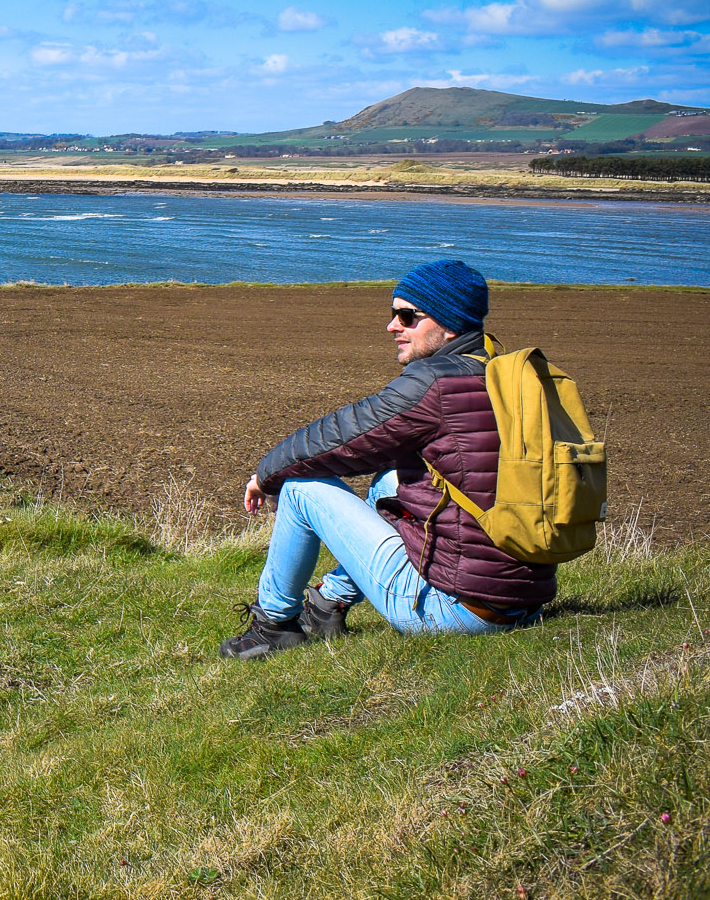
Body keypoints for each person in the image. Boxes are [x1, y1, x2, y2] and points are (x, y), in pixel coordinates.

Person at [222, 259, 553, 660]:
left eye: (407, 316)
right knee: (391, 480)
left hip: (448, 610)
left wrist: (265, 476)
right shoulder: (508, 377)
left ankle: (273, 626)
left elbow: (336, 440)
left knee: (299, 487)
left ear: (448, 322)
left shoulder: (435, 381)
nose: (392, 326)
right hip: (522, 600)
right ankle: (329, 604)